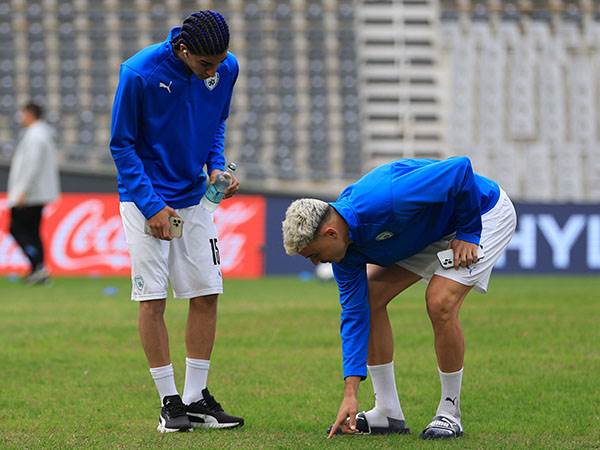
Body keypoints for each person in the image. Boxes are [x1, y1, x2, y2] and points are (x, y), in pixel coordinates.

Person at [282, 157, 516, 440]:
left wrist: (468, 232)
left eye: (314, 255)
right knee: (369, 300)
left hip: (482, 212)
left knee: (440, 300)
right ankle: (387, 412)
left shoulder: (385, 197)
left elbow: (459, 170)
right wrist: (350, 393)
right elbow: (355, 316)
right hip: (431, 231)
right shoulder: (343, 253)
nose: (315, 263)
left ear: (330, 233)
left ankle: (449, 412)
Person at [109, 10, 244, 433]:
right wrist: (150, 207)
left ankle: (196, 398)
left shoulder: (225, 67)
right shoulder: (139, 72)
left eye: (220, 61)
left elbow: (216, 122)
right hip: (144, 199)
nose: (216, 70)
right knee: (153, 299)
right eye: (207, 64)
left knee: (207, 293)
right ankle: (169, 403)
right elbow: (122, 145)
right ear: (183, 49)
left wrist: (215, 166)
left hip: (194, 200)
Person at [7, 102, 60, 285]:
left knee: (18, 229)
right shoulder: (39, 134)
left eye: (22, 113)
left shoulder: (36, 136)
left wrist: (22, 190)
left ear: (30, 114)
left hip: (31, 195)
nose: (20, 117)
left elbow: (32, 165)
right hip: (35, 194)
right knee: (32, 231)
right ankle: (37, 268)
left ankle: (38, 265)